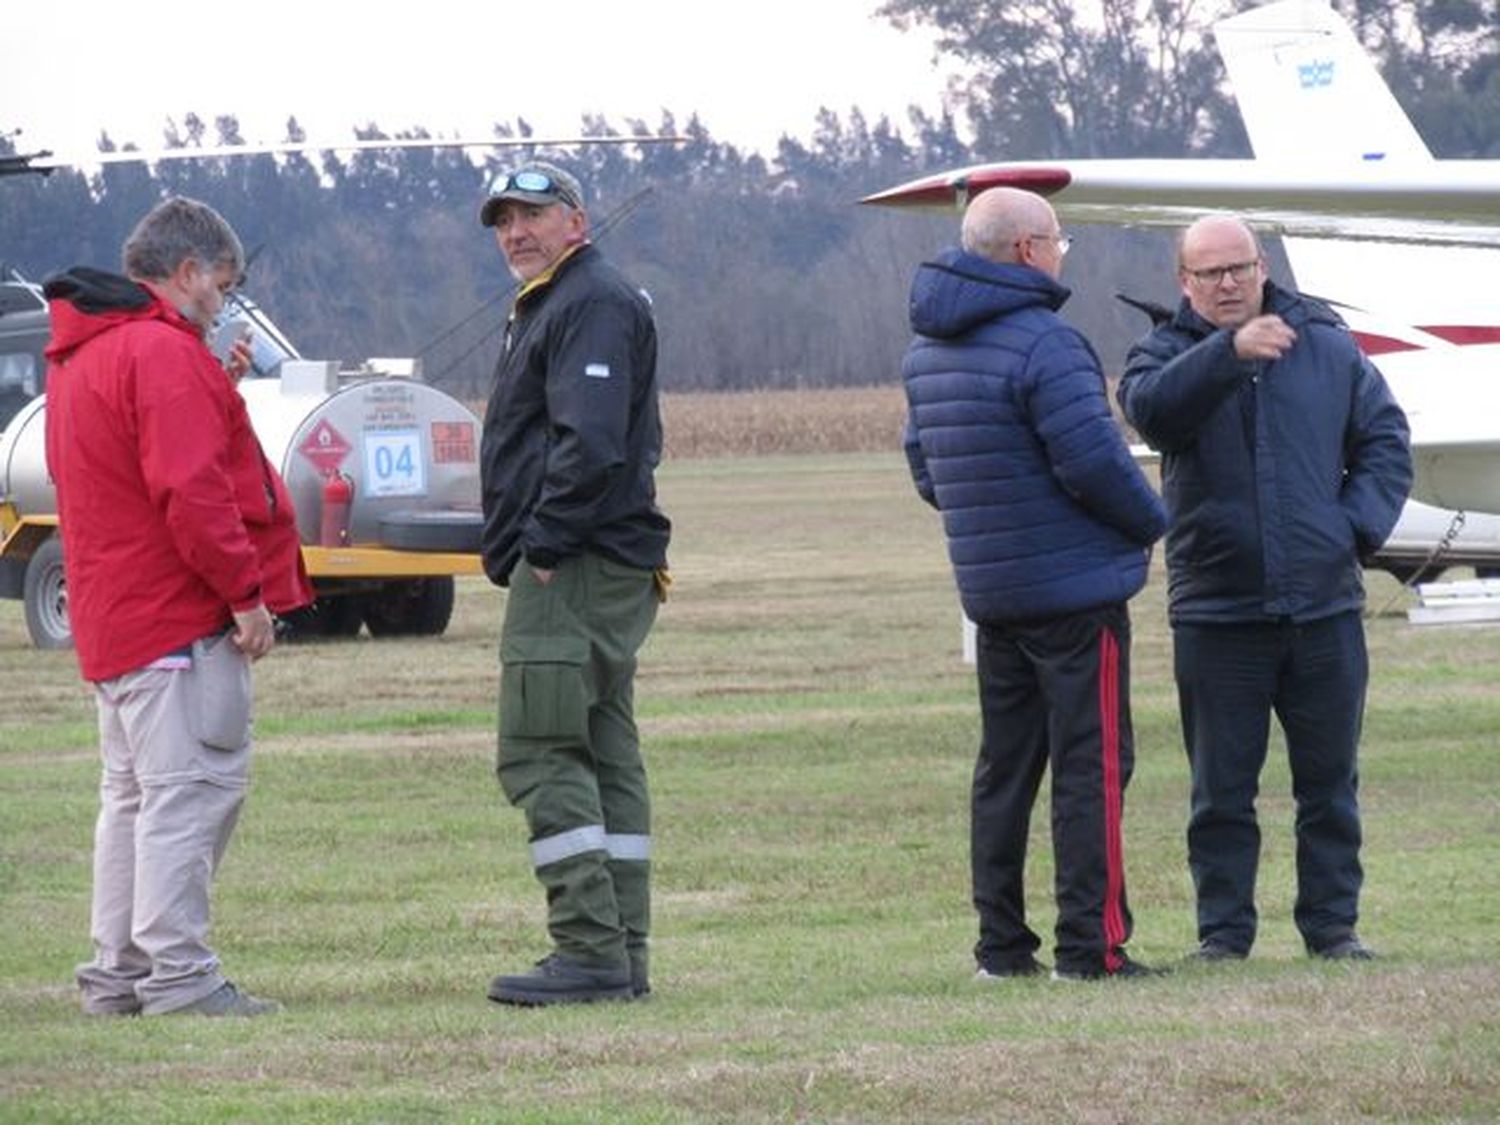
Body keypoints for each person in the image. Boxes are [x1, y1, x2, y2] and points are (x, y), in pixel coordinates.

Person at [44, 196, 312, 1017]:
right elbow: (192, 494)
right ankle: (181, 975)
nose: (221, 303)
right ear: (187, 271)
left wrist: (210, 386)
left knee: (130, 800)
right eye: (220, 285)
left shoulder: (85, 354)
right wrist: (246, 596)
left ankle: (118, 973)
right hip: (175, 621)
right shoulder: (163, 357)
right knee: (190, 791)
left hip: (114, 619)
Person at [1117, 215, 1412, 962]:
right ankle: (1224, 935)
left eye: (1239, 269)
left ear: (1262, 266)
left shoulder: (1325, 343)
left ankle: (1333, 927)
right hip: (1218, 612)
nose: (1227, 284)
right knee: (1220, 792)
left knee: (1329, 783)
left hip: (1323, 605)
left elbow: (1384, 440)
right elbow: (1150, 411)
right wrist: (1227, 353)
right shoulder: (1164, 353)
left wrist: (1353, 531)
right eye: (1209, 273)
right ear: (1184, 283)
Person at [902, 187, 1169, 981]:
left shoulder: (926, 350)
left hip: (993, 594)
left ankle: (1002, 947)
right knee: (1093, 766)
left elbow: (929, 471)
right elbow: (1094, 461)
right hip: (1076, 594)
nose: (1061, 253)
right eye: (1059, 240)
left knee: (1005, 769)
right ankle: (1093, 947)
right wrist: (1153, 520)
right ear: (1028, 249)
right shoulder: (1048, 345)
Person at [477, 161, 671, 1006]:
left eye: (533, 215)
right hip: (604, 562)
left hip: (577, 563)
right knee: (601, 749)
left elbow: (588, 442)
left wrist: (543, 540)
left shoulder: (588, 301)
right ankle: (621, 950)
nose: (516, 231)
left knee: (541, 747)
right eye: (503, 221)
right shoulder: (561, 301)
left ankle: (589, 948)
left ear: (576, 222)